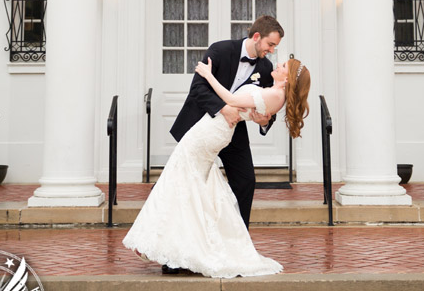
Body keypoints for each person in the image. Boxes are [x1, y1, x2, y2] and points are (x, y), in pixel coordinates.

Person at [122, 56, 311, 279]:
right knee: (187, 183)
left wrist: (208, 74)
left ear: (287, 78)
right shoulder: (274, 93)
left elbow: (230, 98)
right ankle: (176, 244)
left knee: (179, 179)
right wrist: (259, 117)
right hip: (213, 129)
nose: (277, 64)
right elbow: (252, 110)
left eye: (283, 67)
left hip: (211, 131)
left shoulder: (274, 94)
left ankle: (165, 242)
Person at [170, 15, 285, 234]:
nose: (271, 50)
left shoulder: (266, 67)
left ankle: (237, 244)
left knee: (245, 181)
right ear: (257, 36)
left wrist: (264, 121)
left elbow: (268, 106)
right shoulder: (220, 50)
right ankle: (175, 252)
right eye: (270, 45)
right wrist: (224, 108)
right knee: (186, 182)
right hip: (201, 127)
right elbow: (198, 90)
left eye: (275, 47)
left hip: (233, 133)